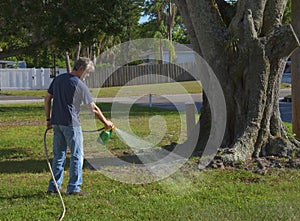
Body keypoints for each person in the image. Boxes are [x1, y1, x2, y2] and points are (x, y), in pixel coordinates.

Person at [44, 57, 113, 195]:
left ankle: (54, 187)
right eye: (87, 73)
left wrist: (48, 118)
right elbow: (93, 109)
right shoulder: (79, 85)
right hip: (71, 125)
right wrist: (106, 123)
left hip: (57, 123)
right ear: (81, 69)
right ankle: (74, 188)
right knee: (77, 155)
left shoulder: (59, 79)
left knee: (59, 155)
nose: (87, 76)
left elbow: (47, 98)